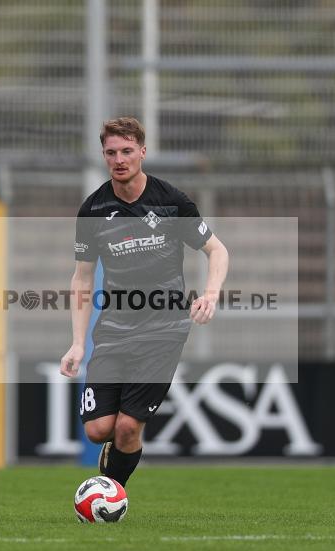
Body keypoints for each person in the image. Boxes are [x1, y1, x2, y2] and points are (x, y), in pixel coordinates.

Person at [59, 116, 229, 486]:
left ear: (142, 152)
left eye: (127, 151)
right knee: (98, 430)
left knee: (127, 428)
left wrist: (211, 294)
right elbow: (82, 277)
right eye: (111, 153)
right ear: (104, 156)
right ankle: (114, 464)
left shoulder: (170, 201)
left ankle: (111, 493)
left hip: (163, 332)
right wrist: (77, 343)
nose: (119, 159)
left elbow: (217, 250)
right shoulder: (93, 210)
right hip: (114, 330)